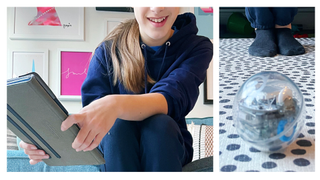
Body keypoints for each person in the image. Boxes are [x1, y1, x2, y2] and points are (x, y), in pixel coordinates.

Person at [16, 7, 213, 172]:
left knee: (159, 125)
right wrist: (41, 142)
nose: (157, 7)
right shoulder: (107, 52)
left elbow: (173, 95)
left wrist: (115, 104)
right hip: (115, 149)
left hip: (168, 146)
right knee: (116, 127)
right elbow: (91, 122)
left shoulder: (197, 47)